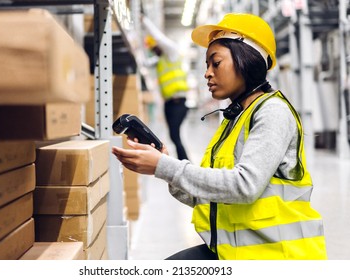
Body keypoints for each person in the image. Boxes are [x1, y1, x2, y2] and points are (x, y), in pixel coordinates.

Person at [112, 13, 327, 260]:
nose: (207, 73)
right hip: (237, 250)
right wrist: (162, 164)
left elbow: (244, 186)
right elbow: (208, 196)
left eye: (216, 63)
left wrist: (166, 167)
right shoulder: (234, 120)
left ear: (247, 61)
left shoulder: (272, 112)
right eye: (206, 65)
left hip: (276, 256)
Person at [142, 15, 190, 160]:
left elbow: (159, 37)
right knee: (173, 135)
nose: (154, 51)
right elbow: (144, 63)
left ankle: (185, 162)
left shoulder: (172, 52)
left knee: (175, 135)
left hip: (178, 102)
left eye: (155, 47)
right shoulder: (160, 60)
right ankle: (183, 161)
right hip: (169, 103)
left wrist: (144, 20)